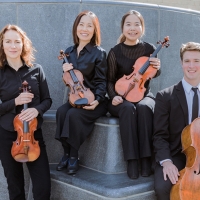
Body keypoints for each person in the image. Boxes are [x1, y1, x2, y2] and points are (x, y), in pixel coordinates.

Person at [107, 10, 161, 179]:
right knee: (128, 108)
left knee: (144, 108)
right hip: (121, 97)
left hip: (144, 94)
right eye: (128, 24)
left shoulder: (150, 48)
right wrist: (113, 96)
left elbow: (153, 74)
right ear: (123, 28)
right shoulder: (115, 51)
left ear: (142, 27)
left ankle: (146, 159)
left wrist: (158, 67)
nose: (132, 28)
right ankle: (132, 160)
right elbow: (108, 80)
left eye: (137, 24)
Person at [0, 24, 52, 200]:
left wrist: (37, 110)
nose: (13, 46)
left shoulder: (36, 69)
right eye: (8, 41)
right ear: (2, 44)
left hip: (33, 135)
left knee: (43, 187)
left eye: (17, 41)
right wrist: (14, 102)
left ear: (23, 44)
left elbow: (47, 100)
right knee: (15, 188)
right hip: (7, 136)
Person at [55, 11, 108, 175]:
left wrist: (97, 100)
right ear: (76, 27)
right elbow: (69, 80)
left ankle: (73, 155)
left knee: (73, 115)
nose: (84, 28)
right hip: (76, 97)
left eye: (89, 25)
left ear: (94, 30)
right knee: (62, 112)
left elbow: (101, 81)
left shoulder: (99, 52)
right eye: (81, 24)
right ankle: (65, 152)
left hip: (95, 100)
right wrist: (64, 70)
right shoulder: (69, 52)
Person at [153, 42, 200, 200]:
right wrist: (166, 162)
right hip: (175, 155)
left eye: (196, 61)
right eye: (187, 61)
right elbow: (159, 135)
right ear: (181, 63)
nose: (191, 65)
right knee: (163, 187)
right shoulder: (165, 96)